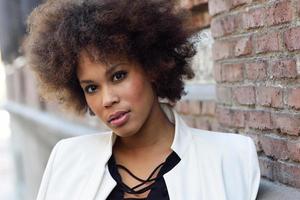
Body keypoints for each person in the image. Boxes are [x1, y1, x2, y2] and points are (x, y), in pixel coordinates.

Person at [24, 0, 261, 199]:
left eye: (118, 76)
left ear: (152, 68)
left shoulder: (230, 157)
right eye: (92, 87)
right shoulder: (68, 160)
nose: (107, 99)